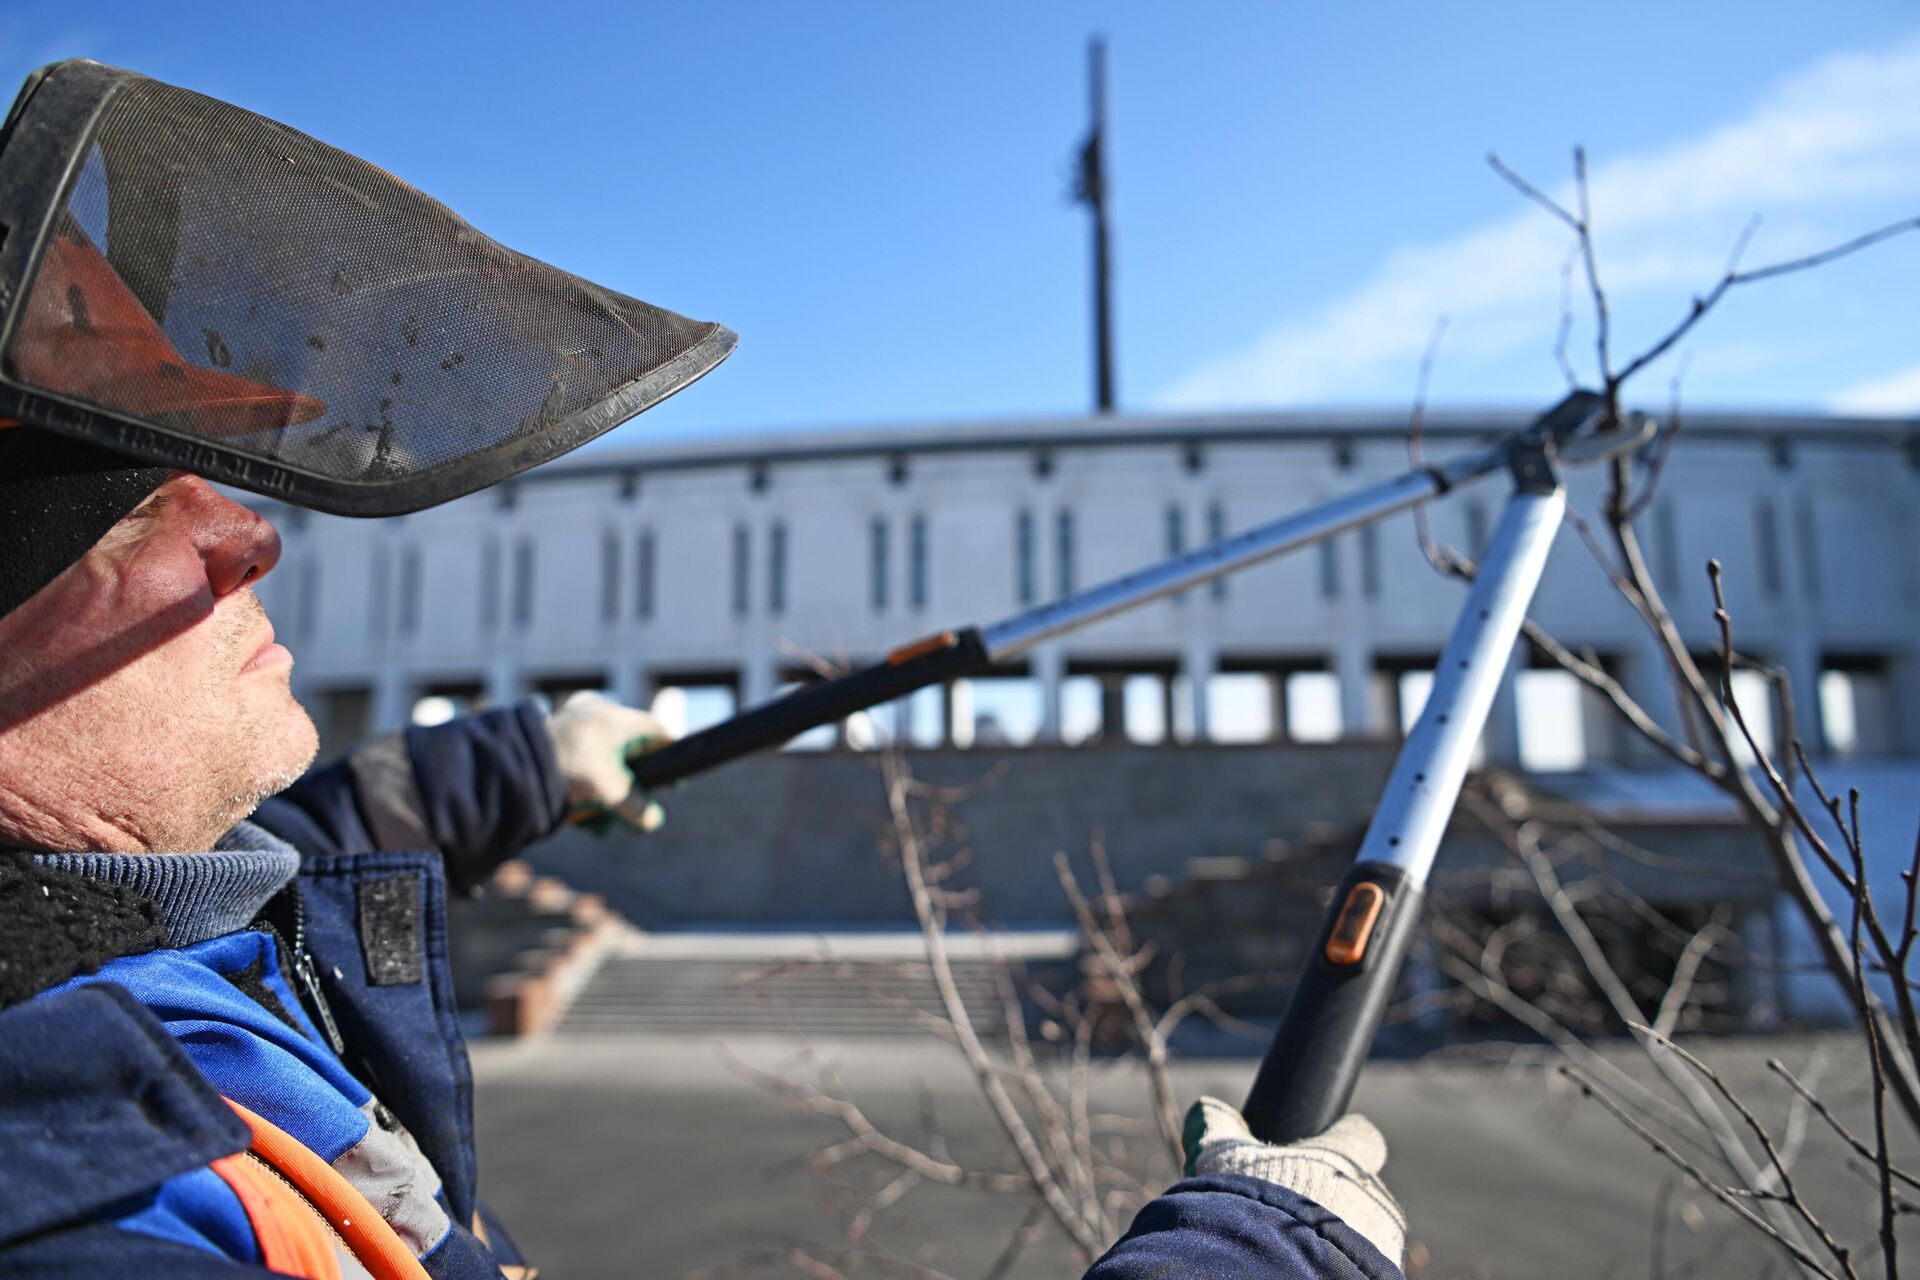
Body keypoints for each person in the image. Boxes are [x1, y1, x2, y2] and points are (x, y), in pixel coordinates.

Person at [0, 59, 1406, 1279]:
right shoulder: (70, 1211)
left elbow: (308, 842)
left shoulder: (131, 914)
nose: (251, 534)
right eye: (135, 516)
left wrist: (528, 764)